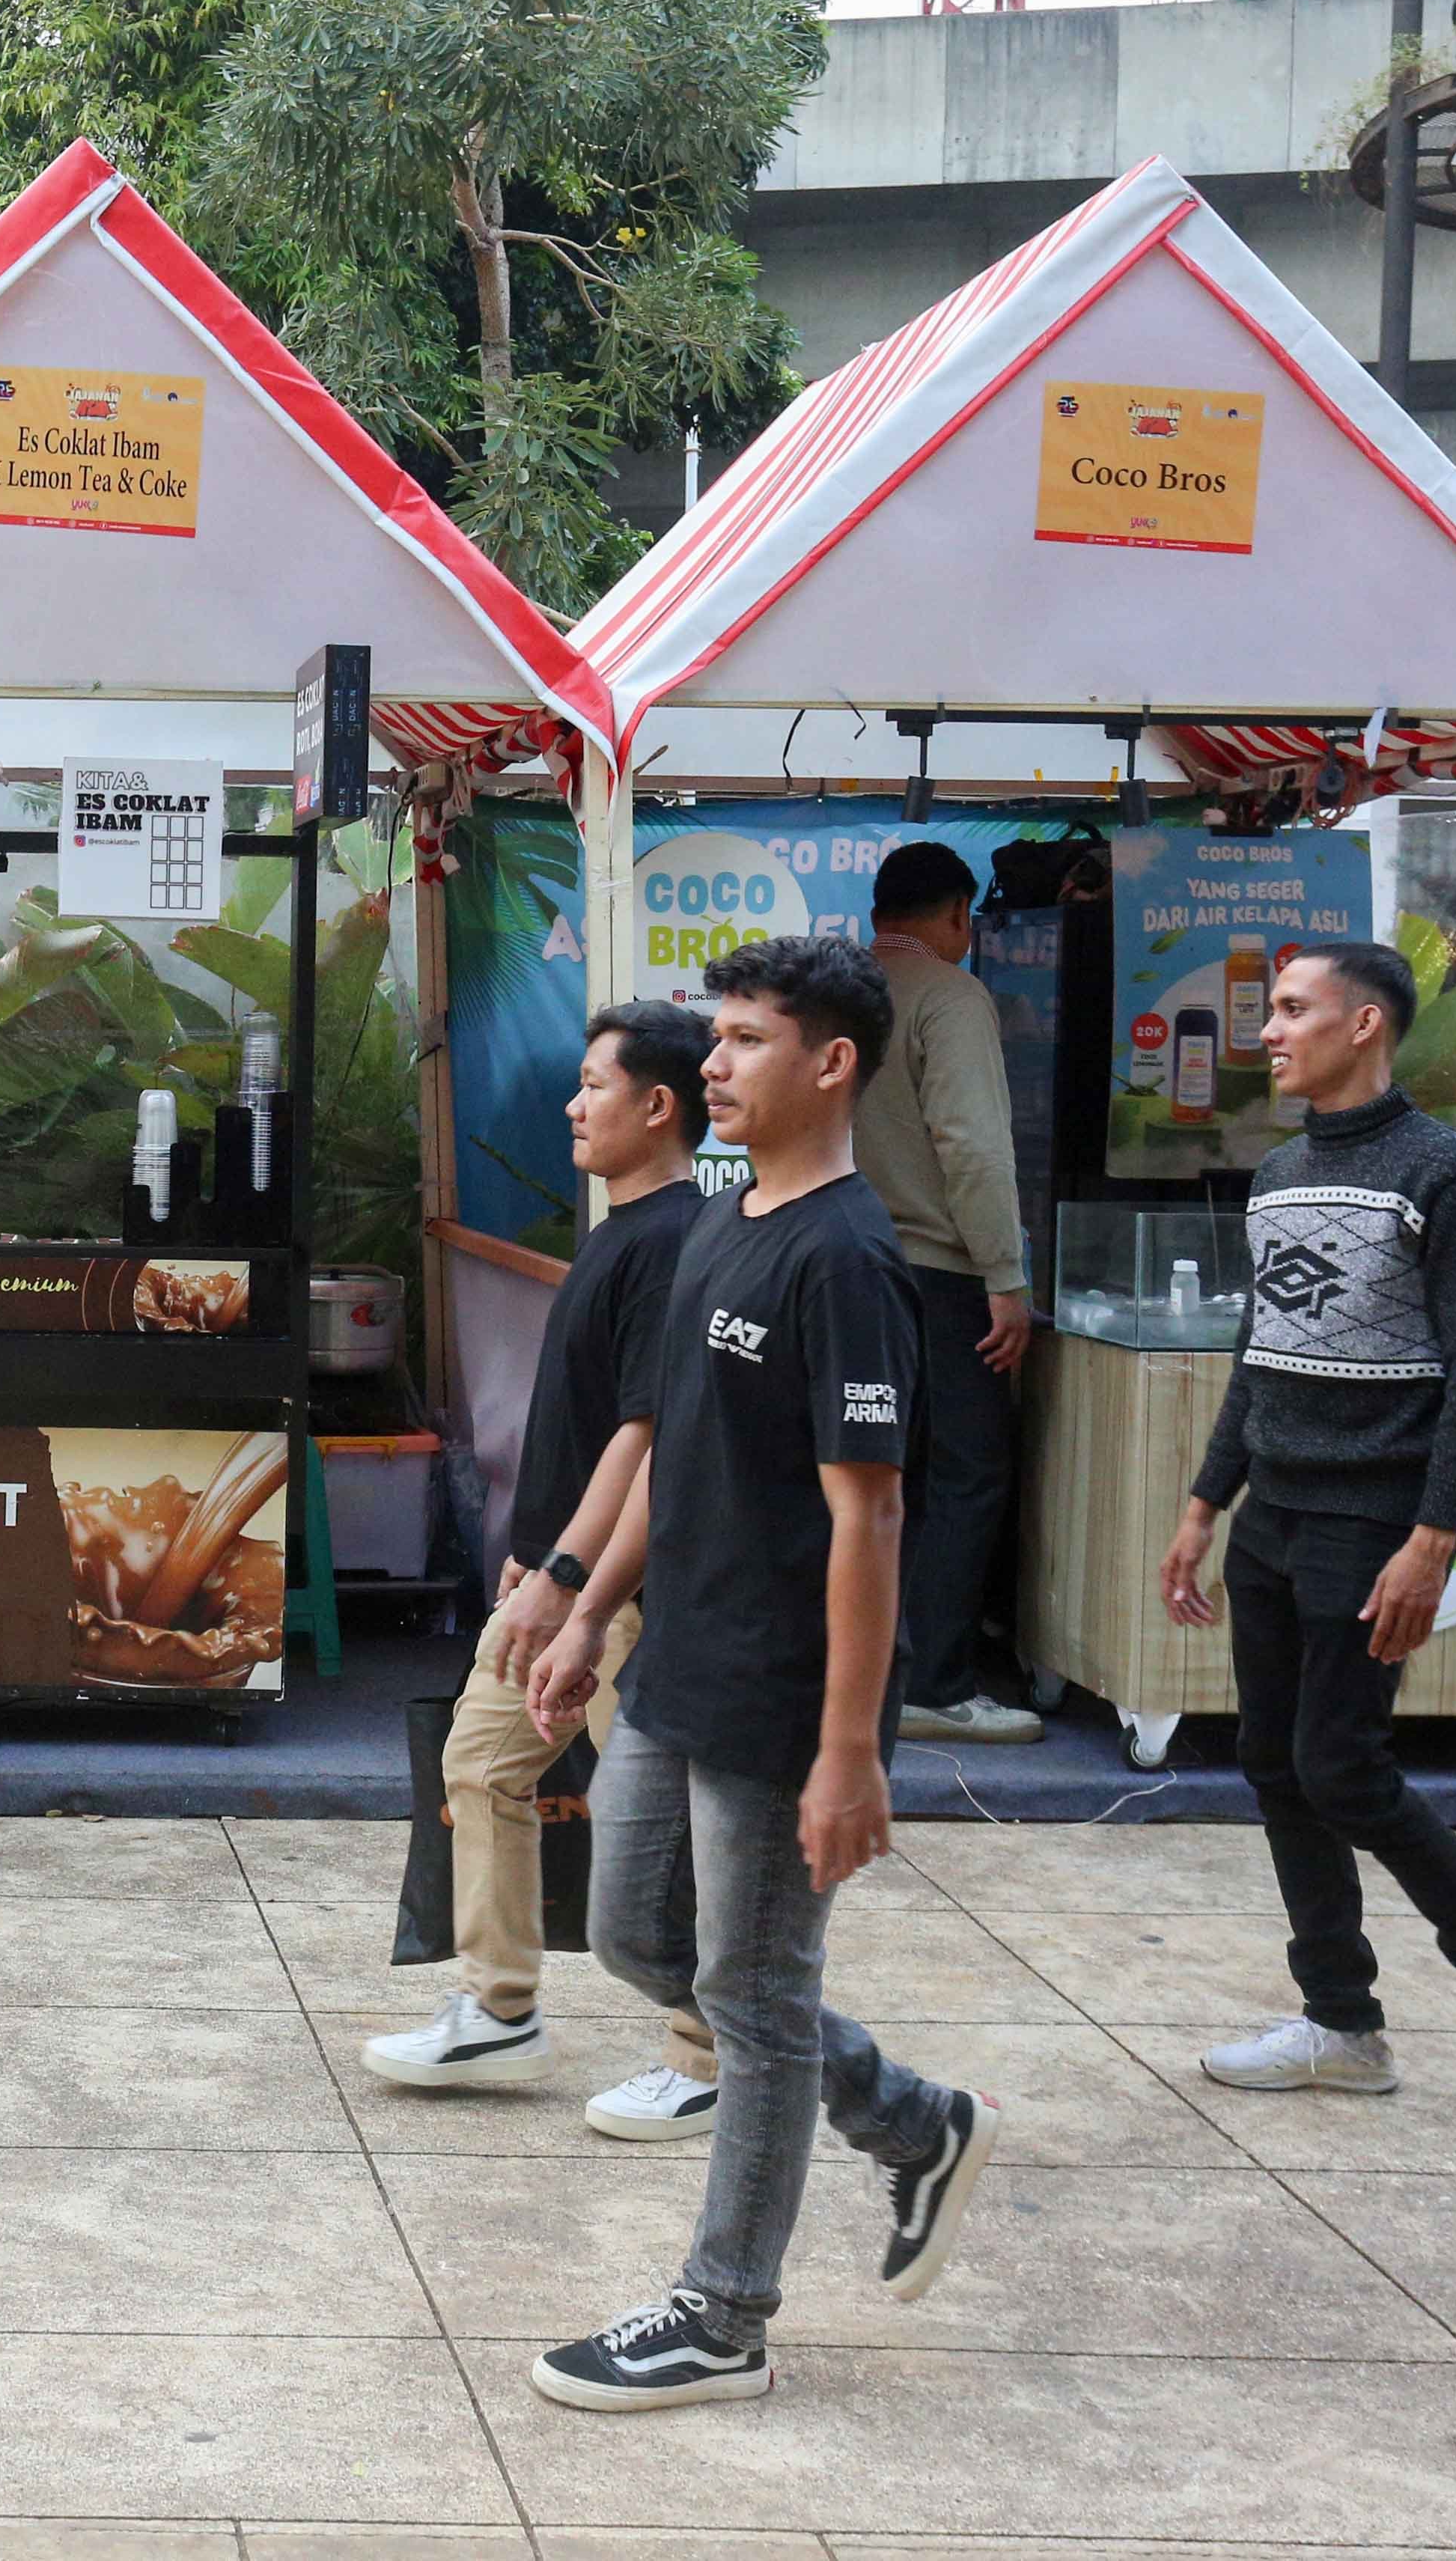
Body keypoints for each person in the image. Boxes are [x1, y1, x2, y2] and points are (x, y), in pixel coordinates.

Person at [520, 934, 1003, 2414]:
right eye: (712, 1038)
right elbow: (670, 1444)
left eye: (741, 1039)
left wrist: (849, 1747)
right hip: (681, 1657)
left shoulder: (852, 1259)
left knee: (754, 1988)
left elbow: (873, 1512)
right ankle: (909, 2116)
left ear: (830, 1063)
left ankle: (726, 2309)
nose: (712, 1063)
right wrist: (592, 1607)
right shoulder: (721, 1221)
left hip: (786, 1688)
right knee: (637, 1938)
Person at [1160, 941, 1456, 2113]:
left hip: (1374, 1515)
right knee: (1271, 1759)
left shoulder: (1448, 1173)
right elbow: (1261, 1356)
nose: (1271, 1031)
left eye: (1294, 1009)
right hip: (1276, 1513)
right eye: (1273, 1010)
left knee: (1341, 1764)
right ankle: (1342, 2022)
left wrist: (1432, 1539)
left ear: (1366, 1025)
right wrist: (1204, 1506)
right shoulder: (1281, 1171)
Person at [366, 1002, 723, 2140]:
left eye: (593, 1085)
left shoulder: (673, 1240)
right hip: (557, 1578)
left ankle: (708, 2049)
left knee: (670, 1827)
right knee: (479, 1762)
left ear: (658, 1106)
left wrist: (571, 1579)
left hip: (625, 1592)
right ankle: (499, 2004)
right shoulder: (623, 1229)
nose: (573, 1105)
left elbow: (649, 1434)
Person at [855, 841, 1040, 1746]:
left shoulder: (833, 990)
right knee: (967, 1470)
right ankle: (938, 1681)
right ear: (957, 913)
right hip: (937, 1269)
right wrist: (1005, 1275)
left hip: (841, 1263)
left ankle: (869, 1662)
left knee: (877, 1470)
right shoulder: (951, 997)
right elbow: (970, 1144)